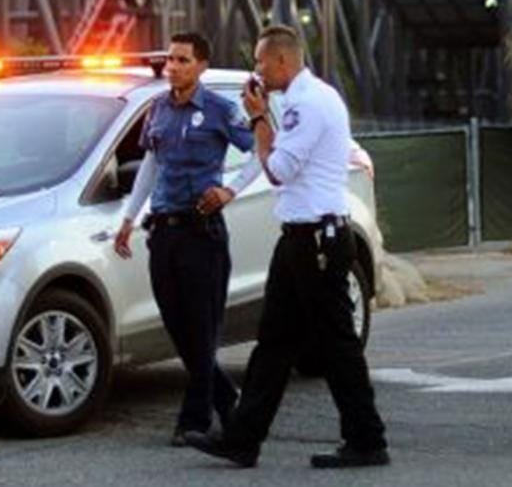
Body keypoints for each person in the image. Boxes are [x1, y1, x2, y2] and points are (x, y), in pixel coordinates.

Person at [186, 25, 389, 469]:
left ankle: (367, 438)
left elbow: (278, 169)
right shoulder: (308, 99)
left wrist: (260, 119)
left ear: (282, 62)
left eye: (261, 61)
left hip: (315, 238)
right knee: (274, 342)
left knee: (337, 344)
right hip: (300, 237)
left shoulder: (305, 104)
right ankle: (243, 437)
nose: (256, 69)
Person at [113, 31, 261, 446]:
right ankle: (226, 396)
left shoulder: (218, 109)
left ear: (201, 66)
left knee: (202, 326)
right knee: (177, 325)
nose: (171, 67)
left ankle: (194, 419)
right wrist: (129, 217)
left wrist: (230, 190)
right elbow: (151, 164)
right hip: (163, 230)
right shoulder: (158, 108)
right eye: (169, 60)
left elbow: (260, 151)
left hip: (202, 232)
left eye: (181, 60)